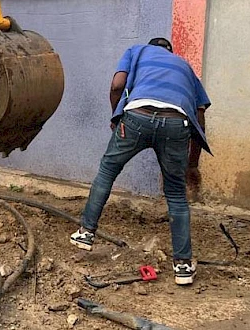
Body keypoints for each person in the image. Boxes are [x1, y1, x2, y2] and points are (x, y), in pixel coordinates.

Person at [69, 38, 211, 286]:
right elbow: (199, 115)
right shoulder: (185, 67)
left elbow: (117, 85)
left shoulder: (137, 51)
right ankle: (183, 267)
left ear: (152, 48)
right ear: (170, 52)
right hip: (177, 123)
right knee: (176, 194)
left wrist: (116, 117)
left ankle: (86, 234)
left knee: (107, 172)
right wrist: (192, 165)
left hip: (137, 116)